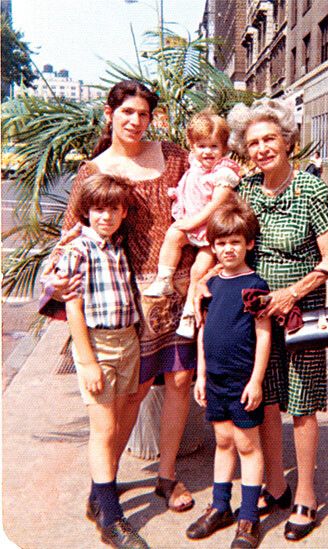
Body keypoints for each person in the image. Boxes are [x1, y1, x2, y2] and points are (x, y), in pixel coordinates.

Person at [41, 81, 197, 524]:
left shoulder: (173, 157)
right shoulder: (94, 170)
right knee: (135, 391)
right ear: (110, 114)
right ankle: (103, 485)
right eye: (127, 111)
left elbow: (204, 194)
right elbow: (74, 233)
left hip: (181, 288)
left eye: (143, 114)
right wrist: (63, 282)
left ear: (152, 119)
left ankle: (166, 476)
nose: (135, 121)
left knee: (182, 379)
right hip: (128, 298)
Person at [220, 98, 328, 541]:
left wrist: (292, 293)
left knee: (303, 403)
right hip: (255, 314)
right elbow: (221, 240)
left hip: (301, 311)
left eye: (269, 138)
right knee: (267, 398)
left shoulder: (311, 190)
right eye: (253, 143)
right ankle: (275, 484)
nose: (261, 148)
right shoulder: (247, 191)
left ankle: (306, 494)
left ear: (287, 141)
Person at [56, 173, 148, 548]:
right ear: (86, 212)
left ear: (123, 212)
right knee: (104, 429)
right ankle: (111, 519)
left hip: (127, 341)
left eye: (113, 209)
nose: (105, 217)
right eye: (98, 210)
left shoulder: (116, 247)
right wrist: (89, 361)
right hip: (99, 344)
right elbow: (73, 307)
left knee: (123, 415)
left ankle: (99, 496)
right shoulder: (78, 249)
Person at [186, 200, 272, 548]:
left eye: (235, 242)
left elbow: (264, 334)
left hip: (241, 380)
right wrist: (202, 375)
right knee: (223, 441)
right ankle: (221, 506)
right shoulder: (211, 284)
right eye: (220, 243)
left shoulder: (255, 284)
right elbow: (204, 332)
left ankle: (248, 516)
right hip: (216, 379)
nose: (227, 249)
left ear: (249, 243)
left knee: (247, 446)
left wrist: (256, 380)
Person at [143, 110, 240, 340]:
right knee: (172, 238)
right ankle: (164, 279)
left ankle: (188, 313)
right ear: (192, 146)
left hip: (210, 230)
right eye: (201, 146)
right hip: (192, 222)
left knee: (199, 269)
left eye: (214, 146)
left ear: (224, 148)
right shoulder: (194, 163)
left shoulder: (224, 172)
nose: (207, 152)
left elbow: (215, 205)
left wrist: (190, 223)